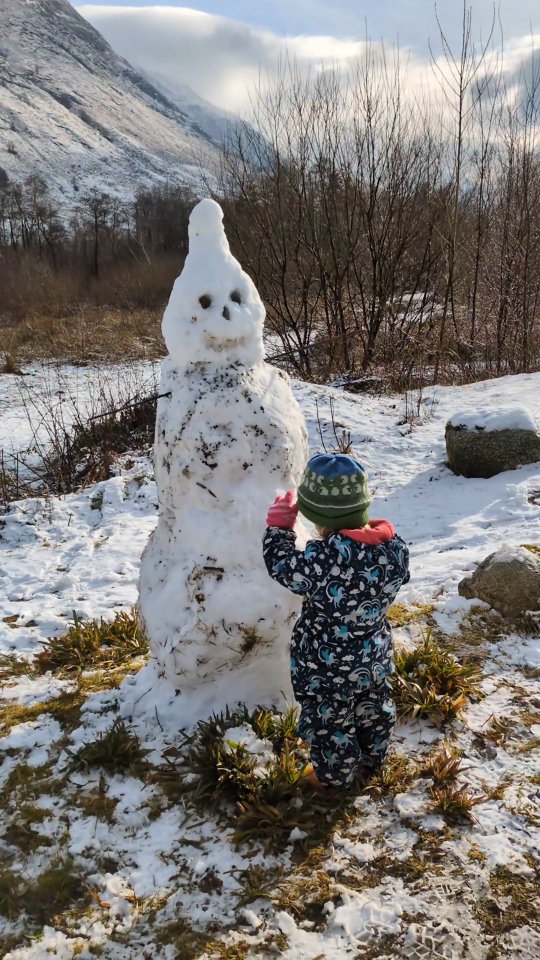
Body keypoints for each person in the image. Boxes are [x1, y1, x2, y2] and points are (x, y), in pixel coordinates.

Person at [263, 453, 410, 790]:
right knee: (374, 706)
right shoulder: (395, 549)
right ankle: (373, 756)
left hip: (326, 667)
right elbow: (399, 575)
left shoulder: (326, 560)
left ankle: (333, 776)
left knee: (331, 722)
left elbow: (282, 565)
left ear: (320, 519)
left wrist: (279, 528)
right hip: (373, 654)